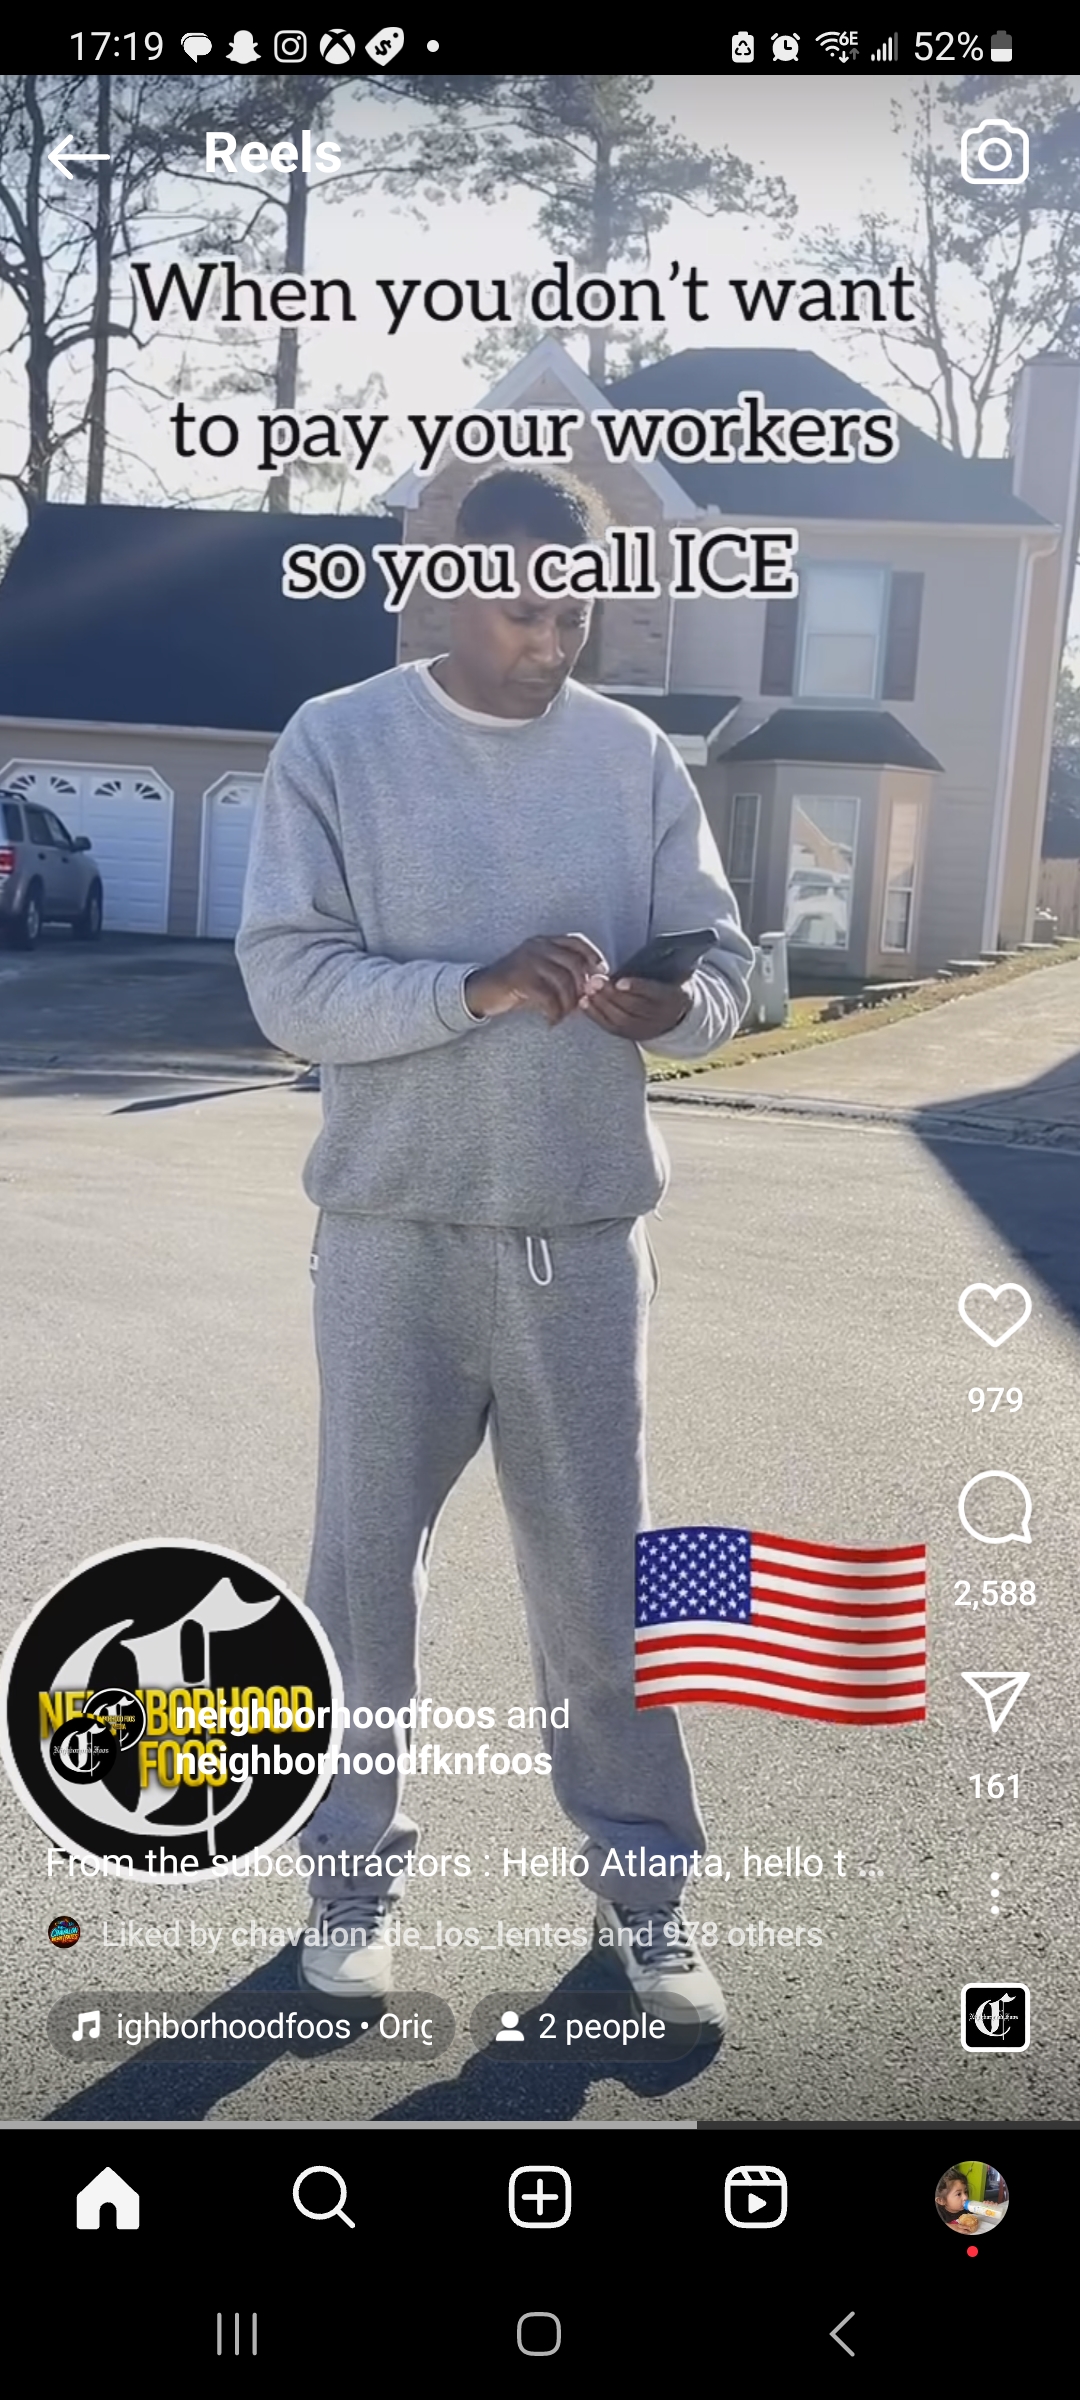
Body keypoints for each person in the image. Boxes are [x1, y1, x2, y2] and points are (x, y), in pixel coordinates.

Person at [236, 466, 755, 2034]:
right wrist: (472, 988)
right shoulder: (338, 743)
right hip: (388, 1237)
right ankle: (348, 1889)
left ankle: (646, 1903)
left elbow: (734, 963)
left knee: (607, 1591)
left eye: (574, 613)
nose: (551, 640)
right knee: (359, 1586)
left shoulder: (634, 756)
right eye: (525, 610)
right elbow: (288, 985)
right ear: (453, 593)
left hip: (582, 1242)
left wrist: (680, 1008)